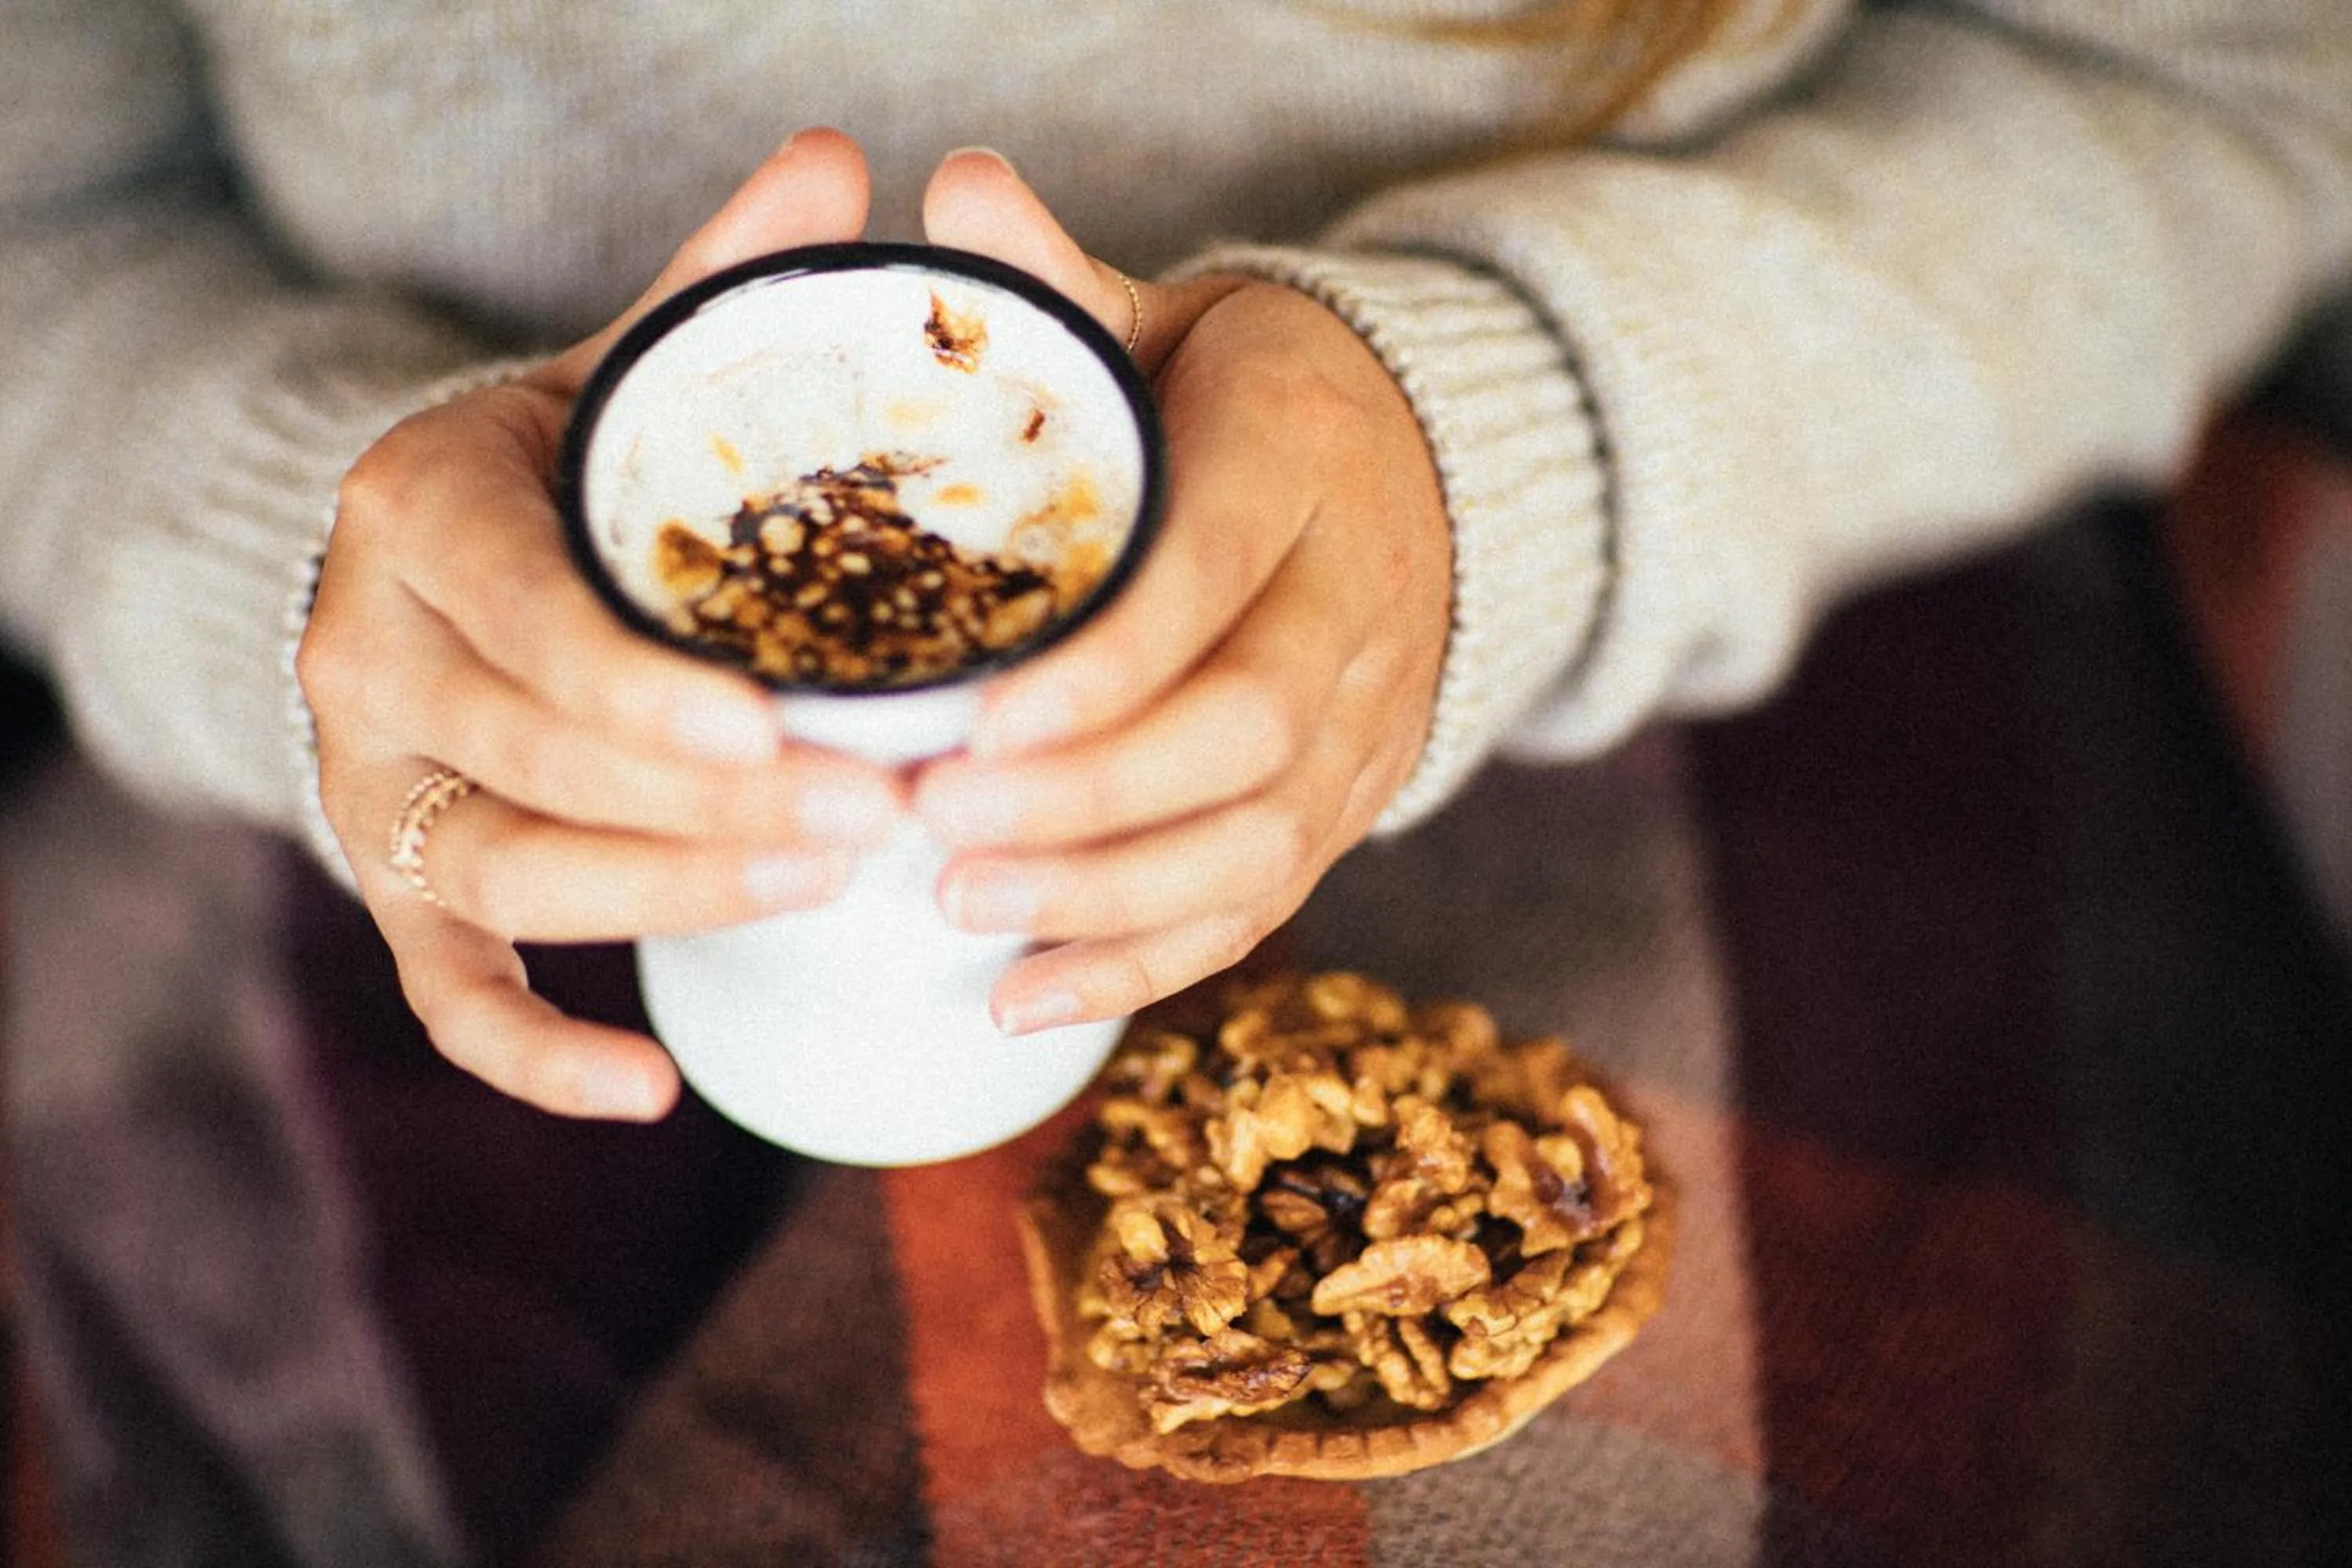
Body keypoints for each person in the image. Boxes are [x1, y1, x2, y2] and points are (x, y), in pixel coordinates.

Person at [9, 0, 2346, 1128]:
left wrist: (1527, 445)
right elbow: (43, 237)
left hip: (1719, 605)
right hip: (369, 808)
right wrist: (292, 570)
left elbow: (2228, 89)